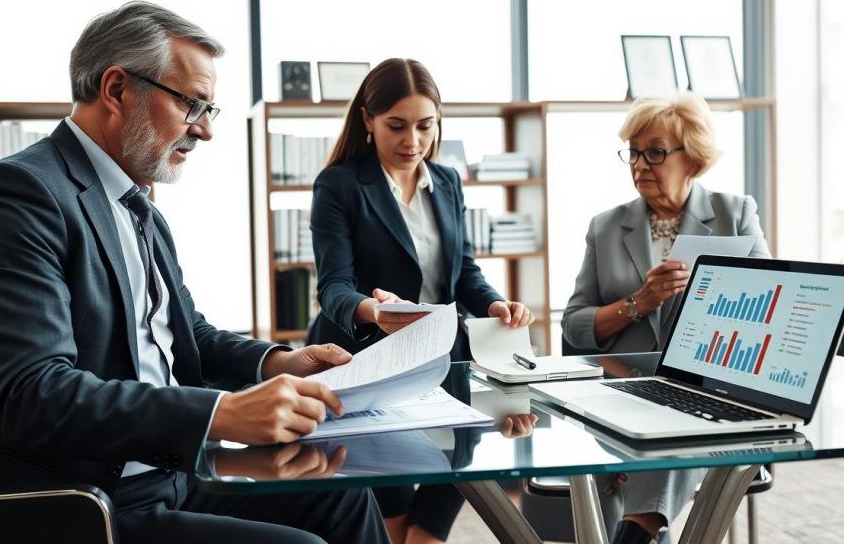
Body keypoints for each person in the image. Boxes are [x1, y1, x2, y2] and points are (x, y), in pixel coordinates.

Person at [0, 1, 389, 544]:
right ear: (117, 89)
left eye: (209, 110)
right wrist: (220, 412)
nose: (206, 131)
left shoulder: (136, 203)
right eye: (193, 104)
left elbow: (184, 332)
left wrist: (276, 361)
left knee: (345, 495)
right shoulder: (19, 195)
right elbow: (36, 394)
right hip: (68, 499)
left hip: (160, 471)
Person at [308, 57, 534, 544]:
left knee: (433, 523)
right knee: (389, 522)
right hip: (367, 365)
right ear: (368, 121)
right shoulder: (340, 185)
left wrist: (496, 305)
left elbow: (463, 272)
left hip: (444, 364)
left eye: (425, 126)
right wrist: (379, 313)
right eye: (397, 126)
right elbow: (333, 289)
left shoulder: (447, 182)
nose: (413, 141)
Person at [561, 93, 772, 544]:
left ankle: (635, 532)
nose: (640, 164)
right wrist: (638, 302)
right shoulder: (606, 226)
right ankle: (639, 531)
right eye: (633, 153)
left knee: (674, 431)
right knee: (656, 439)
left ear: (692, 157)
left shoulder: (735, 214)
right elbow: (574, 326)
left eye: (654, 152)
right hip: (620, 394)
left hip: (706, 393)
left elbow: (771, 306)